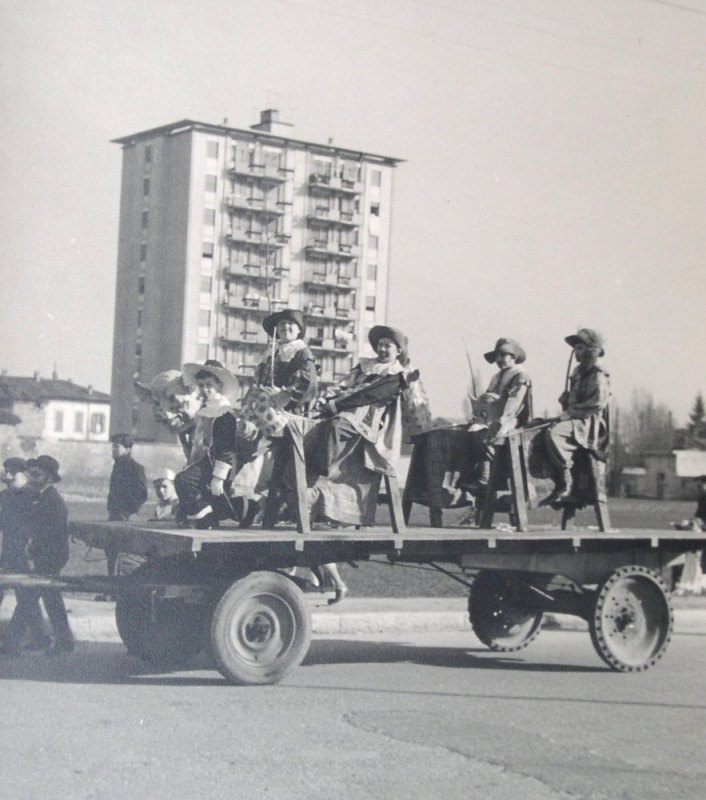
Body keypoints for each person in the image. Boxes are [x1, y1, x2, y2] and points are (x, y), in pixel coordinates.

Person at [2, 456, 73, 656]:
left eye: (36, 474)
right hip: (44, 556)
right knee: (49, 598)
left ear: (49, 477)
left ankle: (12, 642)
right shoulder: (40, 497)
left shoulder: (51, 500)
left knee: (29, 597)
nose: (31, 478)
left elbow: (49, 533)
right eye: (30, 474)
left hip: (51, 556)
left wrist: (32, 549)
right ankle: (61, 641)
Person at [542, 328, 610, 505]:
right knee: (541, 429)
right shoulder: (577, 373)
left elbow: (598, 403)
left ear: (591, 350)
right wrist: (565, 401)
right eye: (576, 348)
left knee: (555, 434)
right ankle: (557, 481)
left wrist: (569, 412)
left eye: (580, 348)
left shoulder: (598, 374)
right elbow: (574, 400)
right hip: (574, 418)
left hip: (589, 422)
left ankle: (567, 479)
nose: (576, 352)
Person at [173, 360, 240, 529]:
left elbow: (227, 447)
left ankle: (207, 517)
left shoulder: (224, 412)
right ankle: (208, 518)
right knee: (192, 492)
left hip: (217, 464)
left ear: (219, 385)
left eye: (209, 385)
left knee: (183, 481)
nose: (205, 389)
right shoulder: (205, 410)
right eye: (201, 385)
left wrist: (219, 477)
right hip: (204, 461)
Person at [0, 458, 48, 650]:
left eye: (12, 472)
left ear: (24, 475)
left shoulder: (32, 496)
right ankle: (40, 637)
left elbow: (38, 527)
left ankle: (13, 642)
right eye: (6, 471)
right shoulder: (5, 496)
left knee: (26, 595)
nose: (8, 475)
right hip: (9, 551)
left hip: (25, 553)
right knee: (25, 596)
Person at [255, 308, 318, 413]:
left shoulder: (302, 353)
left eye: (290, 323)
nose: (285, 327)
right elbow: (260, 379)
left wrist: (283, 395)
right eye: (282, 323)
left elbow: (308, 385)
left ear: (299, 330)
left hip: (290, 411)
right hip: (266, 408)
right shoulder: (271, 353)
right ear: (277, 328)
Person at [107, 433, 148, 521]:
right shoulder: (117, 466)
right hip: (114, 514)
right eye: (113, 447)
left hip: (126, 515)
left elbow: (142, 494)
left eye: (116, 447)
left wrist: (131, 511)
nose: (113, 450)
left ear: (127, 449)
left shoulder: (136, 468)